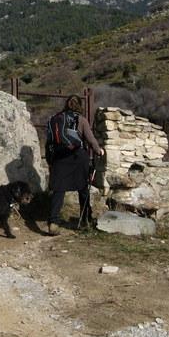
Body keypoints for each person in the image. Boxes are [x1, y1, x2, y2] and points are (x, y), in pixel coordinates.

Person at [46, 95, 104, 235]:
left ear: (66, 104)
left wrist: (50, 160)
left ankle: (53, 222)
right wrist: (98, 150)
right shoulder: (81, 120)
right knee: (83, 189)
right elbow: (90, 139)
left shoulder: (56, 119)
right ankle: (85, 219)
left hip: (60, 158)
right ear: (79, 105)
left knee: (59, 190)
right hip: (78, 157)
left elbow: (49, 142)